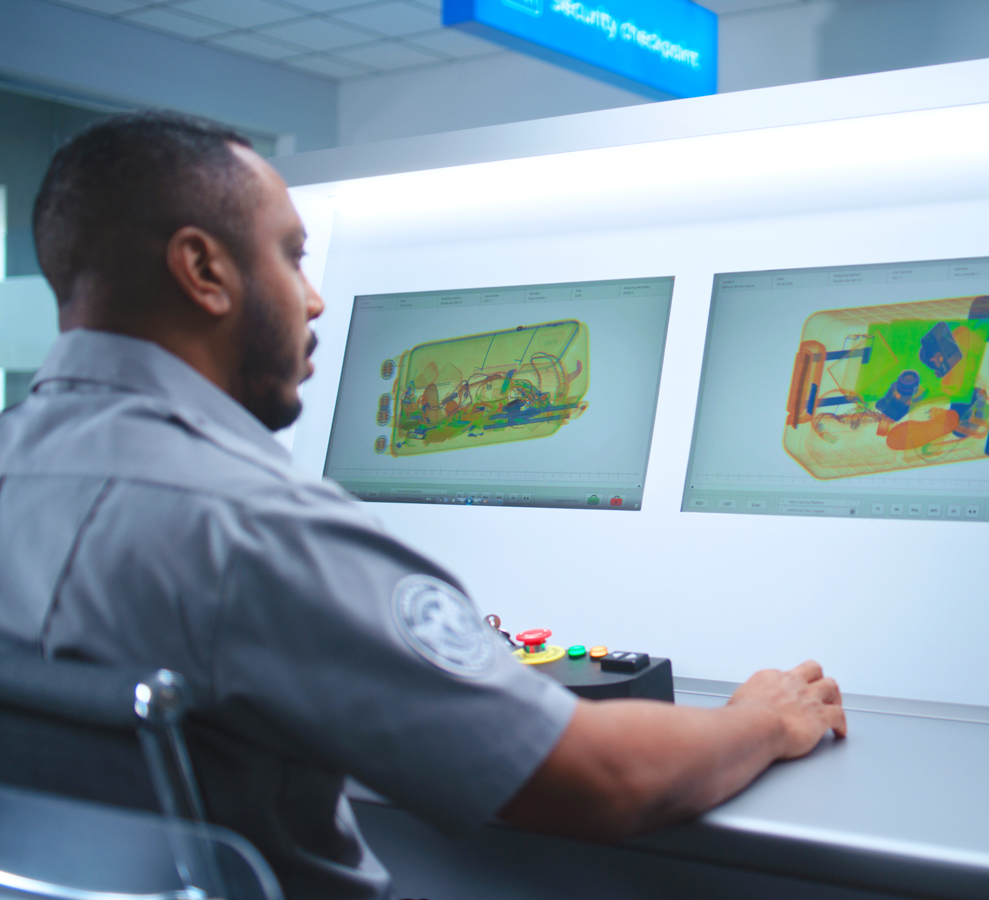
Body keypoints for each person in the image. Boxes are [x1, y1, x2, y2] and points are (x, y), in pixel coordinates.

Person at [0, 111, 847, 900]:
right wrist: (763, 720)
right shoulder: (255, 529)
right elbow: (596, 779)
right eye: (292, 257)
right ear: (203, 271)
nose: (315, 298)